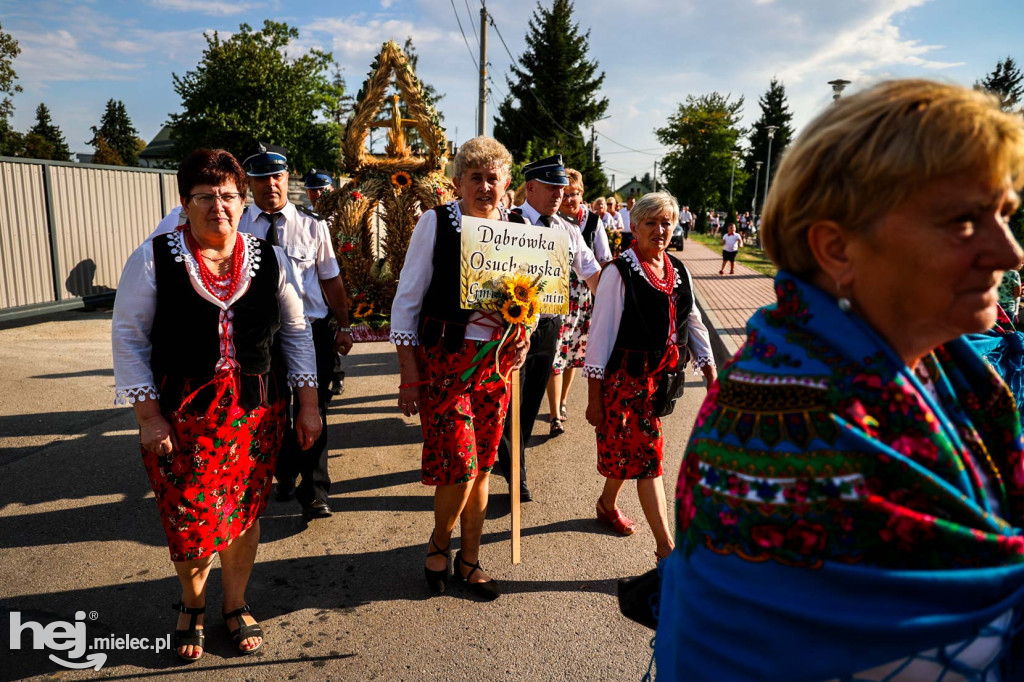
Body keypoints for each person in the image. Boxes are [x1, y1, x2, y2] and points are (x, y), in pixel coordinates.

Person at [657, 79, 1024, 681]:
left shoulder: (940, 367)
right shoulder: (793, 424)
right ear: (837, 249)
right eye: (964, 220)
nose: (1010, 253)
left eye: (1005, 214)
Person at [112, 148, 320, 661]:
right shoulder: (155, 256)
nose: (217, 207)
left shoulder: (267, 257)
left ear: (242, 199)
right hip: (182, 419)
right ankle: (192, 604)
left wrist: (309, 404)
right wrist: (149, 417)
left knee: (246, 515)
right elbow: (129, 337)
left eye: (228, 195)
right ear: (185, 203)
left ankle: (235, 602)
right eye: (204, 197)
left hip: (256, 415)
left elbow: (295, 332)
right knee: (190, 520)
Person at [390, 136, 530, 600]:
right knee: (460, 466)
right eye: (476, 178)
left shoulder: (518, 228)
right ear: (458, 183)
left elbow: (538, 296)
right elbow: (407, 301)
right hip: (444, 363)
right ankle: (439, 541)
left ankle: (470, 560)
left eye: (493, 178)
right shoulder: (436, 223)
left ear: (507, 182)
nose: (486, 187)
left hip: (497, 365)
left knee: (486, 466)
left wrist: (523, 334)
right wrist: (408, 374)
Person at [584, 192, 716, 560]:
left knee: (632, 454)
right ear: (634, 227)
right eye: (650, 223)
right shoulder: (619, 272)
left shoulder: (677, 269)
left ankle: (606, 505)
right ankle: (666, 550)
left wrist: (708, 369)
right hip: (625, 383)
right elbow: (600, 337)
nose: (660, 230)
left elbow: (692, 320)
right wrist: (594, 398)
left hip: (659, 382)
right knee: (648, 459)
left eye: (666, 223)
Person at [237, 143, 353, 521]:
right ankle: (283, 472)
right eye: (260, 178)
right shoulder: (237, 226)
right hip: (258, 337)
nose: (270, 184)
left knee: (312, 407)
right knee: (271, 409)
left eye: (277, 176)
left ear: (288, 178)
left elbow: (331, 281)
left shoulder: (313, 225)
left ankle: (316, 489)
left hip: (311, 330)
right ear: (249, 183)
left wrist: (345, 326)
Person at [497, 154, 602, 501]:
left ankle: (513, 454)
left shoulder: (566, 229)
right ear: (530, 187)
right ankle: (516, 473)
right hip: (510, 328)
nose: (559, 194)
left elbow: (591, 271)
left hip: (548, 325)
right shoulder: (508, 221)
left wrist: (616, 307)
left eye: (562, 188)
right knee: (510, 398)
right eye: (552, 187)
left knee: (529, 403)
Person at [546, 168, 613, 436]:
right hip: (557, 295)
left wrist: (607, 300)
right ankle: (553, 415)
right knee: (555, 355)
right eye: (565, 195)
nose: (569, 200)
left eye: (574, 194)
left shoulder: (593, 223)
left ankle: (562, 401)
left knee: (574, 354)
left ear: (581, 194)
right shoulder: (550, 220)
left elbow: (604, 260)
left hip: (585, 297)